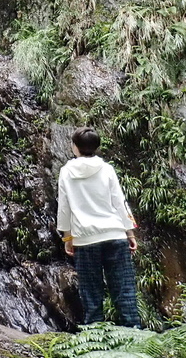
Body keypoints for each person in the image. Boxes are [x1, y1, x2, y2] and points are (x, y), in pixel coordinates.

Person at [57, 126, 141, 328]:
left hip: (85, 240)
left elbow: (64, 208)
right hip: (115, 234)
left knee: (91, 294)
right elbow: (119, 202)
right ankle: (137, 339)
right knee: (125, 290)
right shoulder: (107, 169)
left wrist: (68, 238)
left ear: (75, 147)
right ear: (96, 147)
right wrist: (129, 233)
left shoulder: (66, 172)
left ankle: (96, 340)